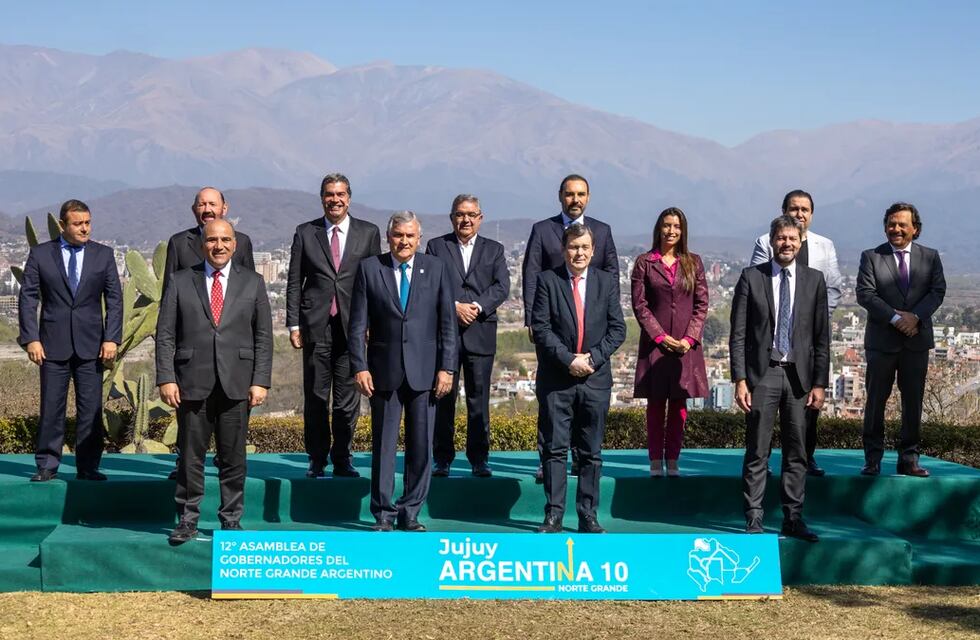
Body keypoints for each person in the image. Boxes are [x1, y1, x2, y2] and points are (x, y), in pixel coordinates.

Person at [156, 219, 273, 544]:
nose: (218, 246)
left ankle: (231, 520)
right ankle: (187, 520)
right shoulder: (181, 281)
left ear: (235, 244)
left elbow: (263, 336)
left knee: (234, 458)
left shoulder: (253, 282)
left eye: (225, 240)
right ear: (202, 244)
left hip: (238, 383)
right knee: (191, 457)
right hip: (191, 381)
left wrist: (260, 380)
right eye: (212, 240)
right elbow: (165, 334)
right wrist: (166, 377)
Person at [348, 211, 456, 532]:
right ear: (388, 236)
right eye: (398, 235)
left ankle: (411, 512)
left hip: (426, 372)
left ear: (418, 238)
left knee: (421, 446)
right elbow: (357, 326)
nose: (404, 241)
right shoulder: (370, 269)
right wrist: (359, 366)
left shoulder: (435, 269)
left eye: (410, 236)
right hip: (383, 372)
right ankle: (383, 513)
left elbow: (447, 325)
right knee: (384, 446)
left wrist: (447, 368)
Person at [730, 215, 829, 542]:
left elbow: (821, 338)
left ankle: (793, 518)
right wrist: (740, 379)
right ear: (771, 241)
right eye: (781, 238)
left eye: (792, 239)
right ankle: (754, 518)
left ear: (800, 243)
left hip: (800, 379)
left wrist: (819, 383)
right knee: (757, 450)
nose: (786, 243)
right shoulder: (751, 278)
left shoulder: (815, 281)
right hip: (763, 375)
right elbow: (739, 335)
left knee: (796, 452)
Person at [521, 174, 619, 482]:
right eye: (569, 194)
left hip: (592, 334)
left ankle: (581, 457)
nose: (575, 199)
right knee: (552, 399)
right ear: (560, 196)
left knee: (588, 402)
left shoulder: (602, 231)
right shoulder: (543, 230)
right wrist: (531, 319)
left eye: (580, 194)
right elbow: (531, 274)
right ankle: (546, 459)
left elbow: (611, 273)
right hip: (552, 329)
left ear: (588, 197)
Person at [18, 199, 123, 482]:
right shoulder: (40, 255)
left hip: (93, 346)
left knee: (90, 409)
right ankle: (47, 465)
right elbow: (27, 298)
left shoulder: (104, 255)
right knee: (51, 407)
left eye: (88, 223)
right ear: (62, 225)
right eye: (78, 224)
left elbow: (114, 300)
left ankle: (88, 466)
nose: (84, 228)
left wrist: (112, 338)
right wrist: (31, 339)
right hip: (51, 345)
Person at [531, 224, 625, 534]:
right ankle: (554, 515)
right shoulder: (548, 281)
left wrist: (592, 359)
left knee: (591, 452)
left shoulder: (606, 282)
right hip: (557, 378)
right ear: (564, 249)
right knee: (555, 450)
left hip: (595, 379)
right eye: (574, 247)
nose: (579, 253)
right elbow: (541, 329)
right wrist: (568, 359)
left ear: (593, 251)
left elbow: (617, 330)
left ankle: (588, 514)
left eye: (585, 247)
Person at [286, 174, 382, 479]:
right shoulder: (306, 232)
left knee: (347, 399)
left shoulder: (368, 233)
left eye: (340, 194)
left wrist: (372, 323)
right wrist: (292, 323)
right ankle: (316, 458)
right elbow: (294, 281)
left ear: (349, 198)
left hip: (353, 327)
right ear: (322, 198)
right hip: (315, 326)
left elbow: (374, 283)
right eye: (329, 194)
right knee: (315, 396)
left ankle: (342, 457)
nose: (335, 199)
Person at [162, 186, 256, 480]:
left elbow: (249, 294)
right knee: (189, 423)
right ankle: (185, 465)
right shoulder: (179, 243)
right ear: (194, 210)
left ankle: (226, 464)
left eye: (212, 204)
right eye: (201, 204)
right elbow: (169, 296)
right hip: (191, 350)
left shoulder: (242, 242)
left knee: (233, 423)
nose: (207, 209)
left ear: (224, 208)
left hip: (233, 351)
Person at [749, 189, 842, 477]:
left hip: (809, 340)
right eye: (793, 208)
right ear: (783, 210)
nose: (799, 214)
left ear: (812, 214)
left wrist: (811, 322)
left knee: (808, 407)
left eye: (804, 209)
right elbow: (756, 286)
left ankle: (807, 457)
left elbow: (833, 288)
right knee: (763, 416)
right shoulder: (766, 241)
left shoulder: (825, 246)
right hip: (773, 344)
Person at [857, 203, 945, 477]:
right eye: (891, 224)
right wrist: (896, 319)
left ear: (914, 229)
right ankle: (872, 459)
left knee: (913, 402)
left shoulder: (930, 257)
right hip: (882, 342)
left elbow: (937, 290)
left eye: (902, 225)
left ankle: (909, 459)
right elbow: (866, 294)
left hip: (916, 341)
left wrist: (915, 317)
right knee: (875, 402)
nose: (895, 229)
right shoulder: (871, 256)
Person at [425, 195, 510, 478]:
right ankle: (442, 458)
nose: (466, 220)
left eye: (472, 214)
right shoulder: (436, 247)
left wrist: (476, 307)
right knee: (442, 397)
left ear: (480, 218)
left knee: (479, 399)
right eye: (460, 214)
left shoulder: (494, 250)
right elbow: (430, 284)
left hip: (481, 332)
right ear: (452, 217)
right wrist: (454, 306)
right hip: (445, 334)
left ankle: (479, 458)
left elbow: (501, 287)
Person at [630, 207, 708, 477]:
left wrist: (688, 339)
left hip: (686, 347)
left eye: (676, 226)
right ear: (658, 228)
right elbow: (639, 306)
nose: (671, 230)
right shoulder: (644, 263)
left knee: (679, 405)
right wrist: (661, 337)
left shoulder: (694, 262)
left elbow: (702, 304)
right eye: (666, 225)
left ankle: (673, 459)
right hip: (655, 345)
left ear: (683, 230)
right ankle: (654, 461)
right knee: (655, 404)